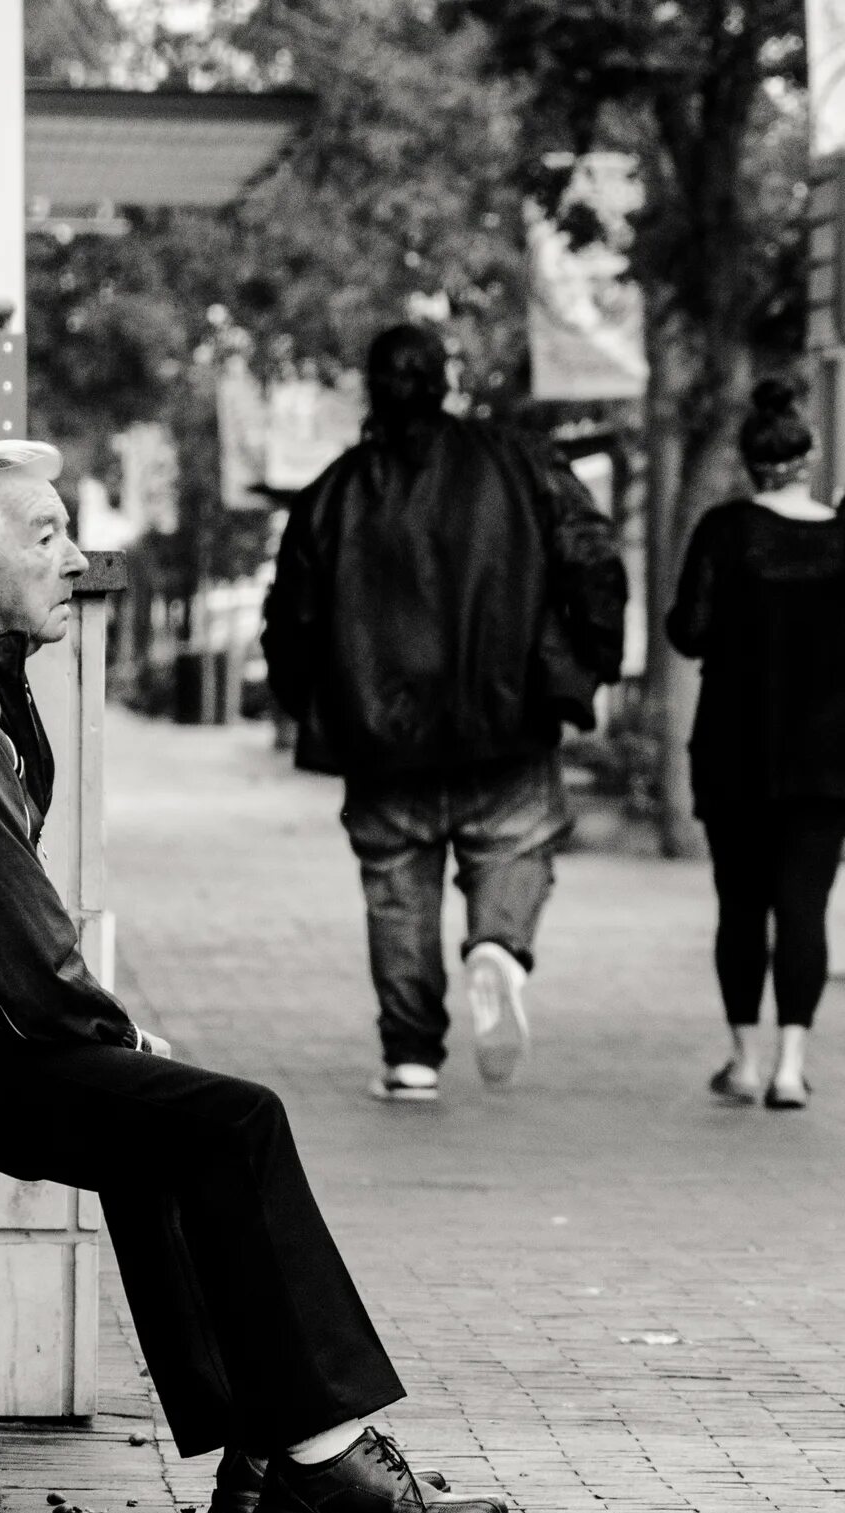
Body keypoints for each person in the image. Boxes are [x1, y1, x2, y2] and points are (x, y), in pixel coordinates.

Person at [0, 437, 511, 1513]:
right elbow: (6, 926)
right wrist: (115, 1032)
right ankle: (322, 1453)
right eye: (45, 535)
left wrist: (112, 1041)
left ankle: (268, 1449)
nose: (76, 558)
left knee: (166, 1119)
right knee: (227, 1116)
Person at [265, 324, 627, 1103]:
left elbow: (290, 620)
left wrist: (319, 708)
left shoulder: (332, 492)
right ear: (443, 380)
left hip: (379, 733)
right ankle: (497, 948)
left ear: (373, 388)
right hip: (509, 718)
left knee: (397, 888)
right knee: (516, 844)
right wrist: (585, 667)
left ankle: (412, 1057)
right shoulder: (522, 463)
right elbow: (594, 559)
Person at [666, 379, 845, 1109]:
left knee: (741, 906)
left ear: (749, 463)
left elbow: (686, 630)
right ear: (809, 458)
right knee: (804, 905)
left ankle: (743, 1063)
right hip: (829, 753)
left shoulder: (723, 532)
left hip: (735, 747)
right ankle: (791, 1066)